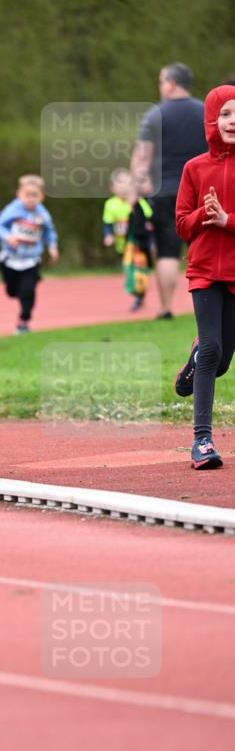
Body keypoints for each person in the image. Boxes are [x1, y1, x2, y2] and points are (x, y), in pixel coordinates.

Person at [174, 84, 235, 470]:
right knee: (213, 350)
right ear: (212, 120)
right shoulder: (194, 168)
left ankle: (195, 357)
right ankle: (202, 441)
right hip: (205, 273)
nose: (234, 121)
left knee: (223, 359)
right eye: (227, 114)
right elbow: (182, 224)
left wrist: (228, 221)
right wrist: (203, 215)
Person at [130, 62, 207, 319]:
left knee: (167, 250)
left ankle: (165, 308)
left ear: (171, 83)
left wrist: (136, 188)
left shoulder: (154, 114)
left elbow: (142, 157)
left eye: (162, 81)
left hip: (165, 191)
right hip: (203, 191)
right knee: (208, 248)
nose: (161, 86)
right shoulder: (207, 111)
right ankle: (213, 306)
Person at [0, 174, 59, 333]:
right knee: (12, 292)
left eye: (34, 195)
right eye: (27, 195)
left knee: (27, 291)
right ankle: (15, 291)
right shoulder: (12, 210)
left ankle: (23, 320)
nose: (30, 199)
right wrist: (8, 236)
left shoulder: (42, 214)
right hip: (10, 259)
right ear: (19, 194)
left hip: (31, 260)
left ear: (41, 197)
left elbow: (50, 231)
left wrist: (52, 246)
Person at [122, 175, 154, 313]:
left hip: (141, 246)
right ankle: (137, 294)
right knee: (129, 269)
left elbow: (147, 224)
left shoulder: (142, 207)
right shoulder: (131, 210)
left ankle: (140, 296)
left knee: (140, 272)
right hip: (131, 245)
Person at [102, 168, 134, 255]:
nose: (125, 186)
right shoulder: (110, 204)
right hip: (121, 245)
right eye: (121, 182)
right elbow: (107, 224)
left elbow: (149, 218)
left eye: (128, 183)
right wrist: (108, 235)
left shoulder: (138, 201)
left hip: (137, 245)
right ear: (112, 187)